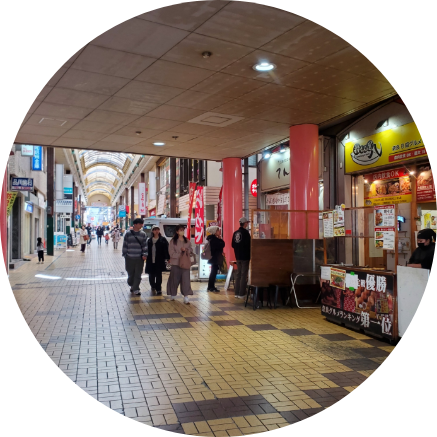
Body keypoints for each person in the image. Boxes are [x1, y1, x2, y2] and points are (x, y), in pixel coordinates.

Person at [167, 224, 193, 304]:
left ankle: (186, 296)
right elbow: (171, 253)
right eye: (180, 230)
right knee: (174, 279)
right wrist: (180, 254)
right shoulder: (173, 241)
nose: (182, 231)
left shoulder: (187, 240)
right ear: (177, 231)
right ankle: (173, 294)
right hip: (175, 263)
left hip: (185, 263)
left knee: (186, 280)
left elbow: (191, 250)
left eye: (183, 230)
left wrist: (186, 250)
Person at [122, 218, 148, 296]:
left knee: (138, 274)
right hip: (129, 257)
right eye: (140, 224)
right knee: (130, 273)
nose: (141, 226)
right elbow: (125, 245)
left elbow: (145, 245)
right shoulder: (128, 234)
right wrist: (125, 254)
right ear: (135, 224)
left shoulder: (143, 234)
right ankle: (131, 284)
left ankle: (136, 288)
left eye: (141, 224)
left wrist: (145, 254)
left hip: (139, 258)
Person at [145, 226, 170, 295]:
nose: (156, 231)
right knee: (151, 275)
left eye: (157, 230)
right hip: (150, 260)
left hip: (159, 260)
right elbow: (146, 249)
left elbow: (167, 249)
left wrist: (168, 258)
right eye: (155, 230)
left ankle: (158, 288)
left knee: (159, 275)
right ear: (152, 231)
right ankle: (153, 286)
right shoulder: (149, 240)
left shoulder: (162, 240)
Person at [232, 217, 251, 298]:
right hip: (245, 256)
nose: (248, 224)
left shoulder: (235, 233)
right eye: (247, 222)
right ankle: (242, 293)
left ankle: (236, 292)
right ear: (245, 223)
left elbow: (232, 245)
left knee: (238, 274)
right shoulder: (246, 233)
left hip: (238, 256)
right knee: (243, 274)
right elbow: (249, 244)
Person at [206, 226, 225, 293]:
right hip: (215, 258)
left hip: (212, 258)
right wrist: (220, 239)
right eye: (217, 231)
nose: (219, 232)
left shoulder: (210, 239)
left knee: (213, 272)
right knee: (213, 272)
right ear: (214, 232)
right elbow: (222, 245)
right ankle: (211, 287)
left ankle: (210, 286)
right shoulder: (214, 240)